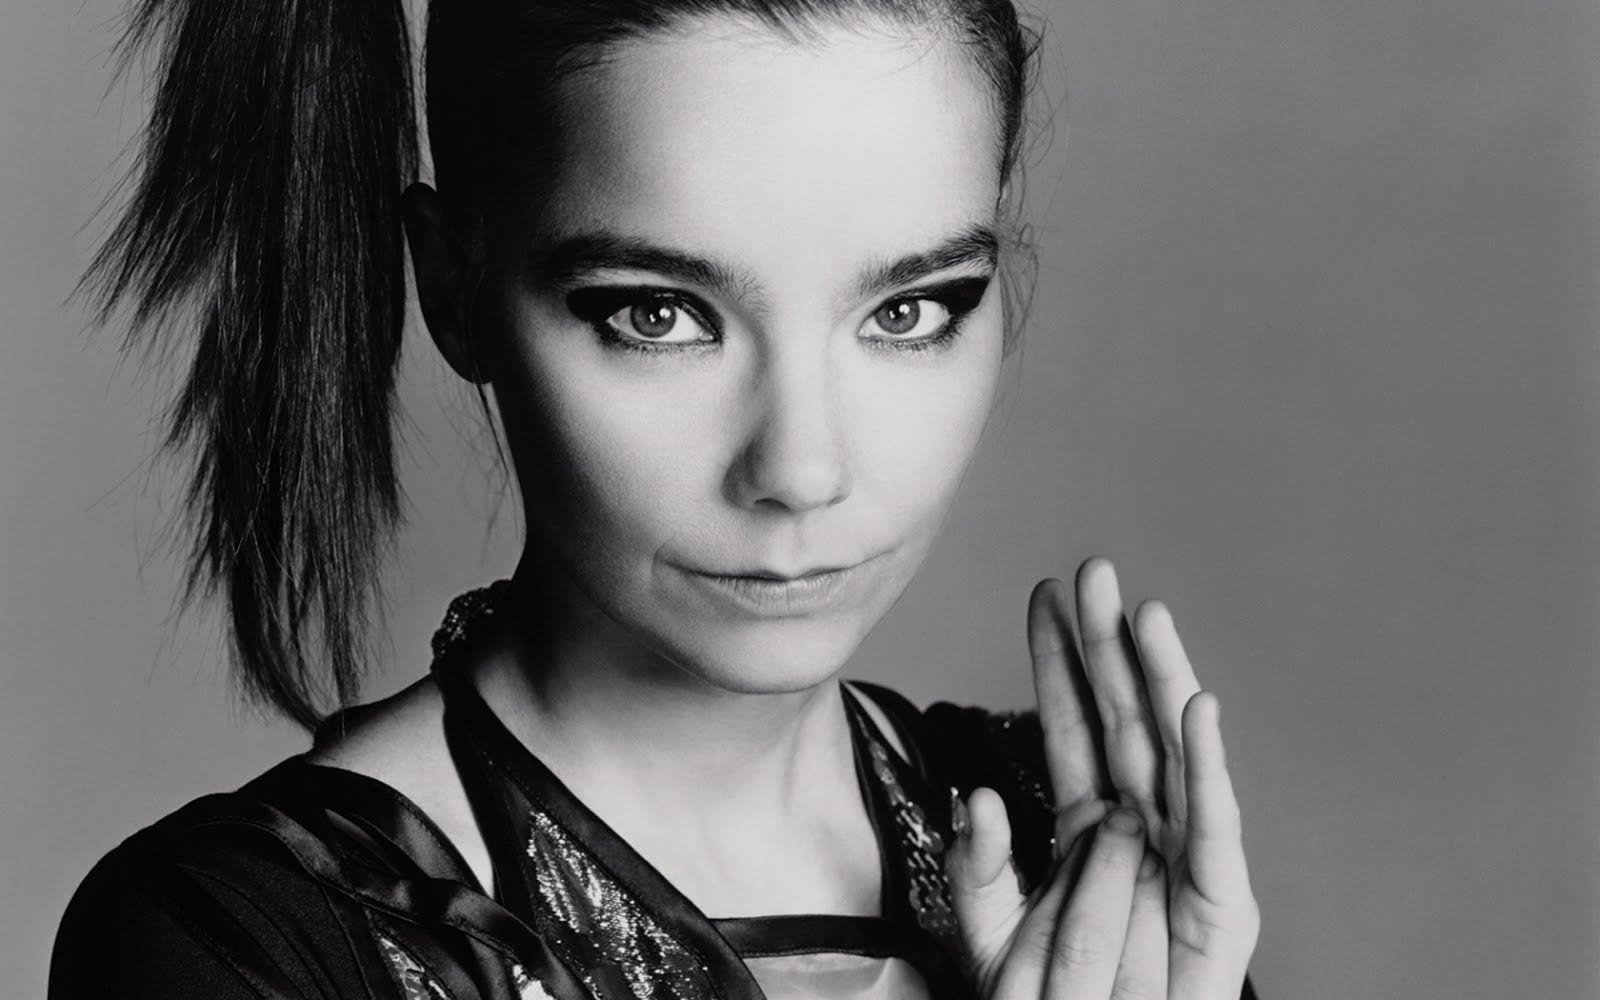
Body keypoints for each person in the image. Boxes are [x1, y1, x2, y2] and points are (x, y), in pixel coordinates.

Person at [49, 0, 1262, 998]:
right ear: (454, 287)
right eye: (657, 313)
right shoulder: (244, 944)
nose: (800, 470)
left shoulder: (1077, 856)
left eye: (908, 310)